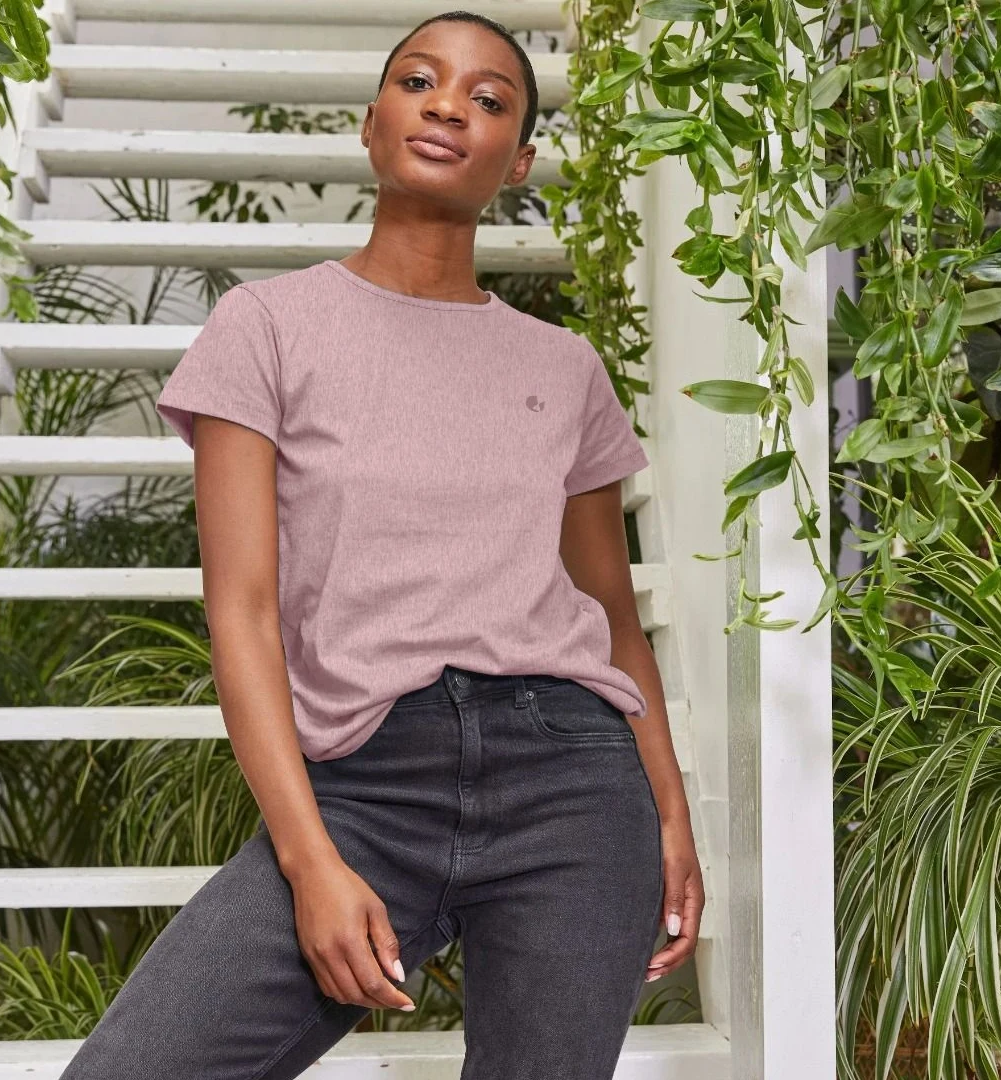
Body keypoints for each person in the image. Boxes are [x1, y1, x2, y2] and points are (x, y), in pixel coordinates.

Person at [60, 11, 703, 1079]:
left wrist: (670, 816)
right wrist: (309, 858)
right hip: (363, 780)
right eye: (419, 81)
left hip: (574, 786)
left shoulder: (566, 367)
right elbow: (243, 613)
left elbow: (613, 622)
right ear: (371, 125)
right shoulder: (266, 328)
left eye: (489, 100)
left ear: (519, 160)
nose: (449, 105)